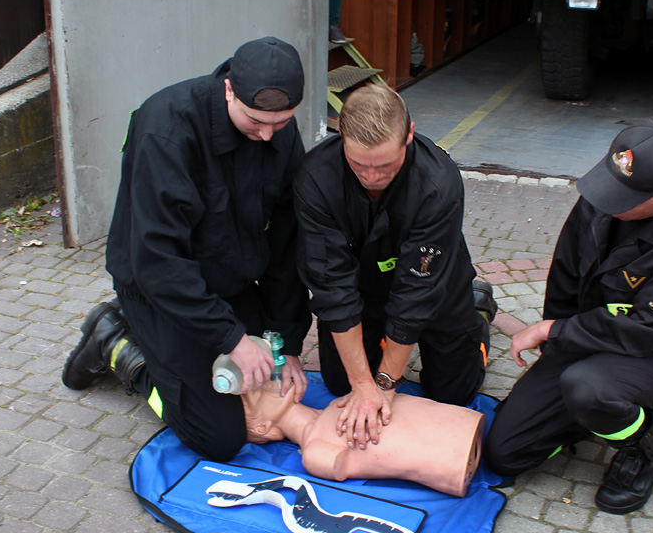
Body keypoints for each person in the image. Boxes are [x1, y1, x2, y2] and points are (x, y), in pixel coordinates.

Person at [61, 37, 311, 463]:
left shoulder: (277, 132)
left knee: (260, 379)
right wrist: (232, 339)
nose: (268, 134)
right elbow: (158, 261)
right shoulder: (168, 130)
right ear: (229, 89)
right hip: (158, 288)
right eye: (255, 122)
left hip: (227, 281)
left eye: (282, 123)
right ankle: (119, 347)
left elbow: (287, 243)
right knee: (217, 436)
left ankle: (186, 347)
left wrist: (283, 341)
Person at [484, 117, 653, 515]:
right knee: (506, 454)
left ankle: (644, 445)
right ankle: (593, 409)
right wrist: (555, 346)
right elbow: (566, 276)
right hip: (589, 339)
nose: (607, 201)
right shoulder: (609, 195)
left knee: (588, 388)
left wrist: (557, 330)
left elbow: (648, 328)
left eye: (624, 198)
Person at [293, 84, 497, 451]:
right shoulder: (315, 177)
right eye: (359, 165)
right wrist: (362, 384)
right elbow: (332, 287)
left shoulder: (438, 183)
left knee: (453, 393)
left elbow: (417, 292)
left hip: (436, 284)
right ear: (341, 136)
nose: (372, 177)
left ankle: (477, 311)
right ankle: (384, 342)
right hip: (363, 285)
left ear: (409, 135)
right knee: (340, 383)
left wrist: (384, 384)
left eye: (385, 166)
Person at [242, 379, 485, 497]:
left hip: (464, 424)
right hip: (453, 458)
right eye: (255, 396)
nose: (262, 384)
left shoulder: (336, 404)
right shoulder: (315, 450)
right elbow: (337, 466)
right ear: (263, 428)